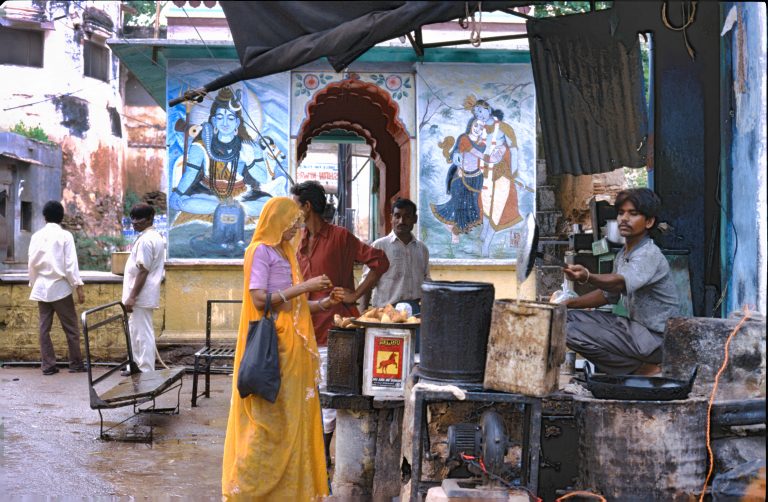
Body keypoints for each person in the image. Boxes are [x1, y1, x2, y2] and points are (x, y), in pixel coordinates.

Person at [222, 196, 344, 500]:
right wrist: (306, 286)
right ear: (276, 221)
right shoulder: (259, 251)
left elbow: (295, 307)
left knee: (292, 421)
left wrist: (322, 303)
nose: (296, 229)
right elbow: (260, 300)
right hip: (273, 349)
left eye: (298, 224)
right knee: (267, 422)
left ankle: (290, 490)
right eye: (292, 224)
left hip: (294, 349)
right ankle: (251, 490)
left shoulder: (284, 252)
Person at [291, 180, 389, 460]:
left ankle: (321, 458)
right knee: (305, 394)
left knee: (330, 397)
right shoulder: (296, 240)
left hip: (335, 331)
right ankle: (310, 455)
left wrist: (355, 294)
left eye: (295, 205)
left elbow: (380, 261)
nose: (291, 211)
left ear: (307, 207)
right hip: (301, 329)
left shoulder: (340, 237)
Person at [562, 188, 680, 376]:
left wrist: (587, 276)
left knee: (566, 330)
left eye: (633, 214)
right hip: (637, 331)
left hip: (657, 338)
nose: (624, 219)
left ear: (649, 222)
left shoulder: (649, 253)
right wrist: (568, 304)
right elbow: (608, 295)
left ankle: (644, 370)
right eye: (621, 213)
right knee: (561, 318)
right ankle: (639, 368)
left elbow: (619, 284)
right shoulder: (623, 254)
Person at [27, 200, 87, 375]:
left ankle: (48, 365)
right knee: (71, 329)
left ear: (44, 217)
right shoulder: (65, 236)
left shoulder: (36, 236)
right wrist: (78, 286)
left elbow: (31, 263)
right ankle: (75, 364)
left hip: (41, 287)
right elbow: (70, 266)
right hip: (60, 288)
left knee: (44, 329)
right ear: (61, 217)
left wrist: (33, 283)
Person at [363, 198, 430, 349]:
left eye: (407, 216)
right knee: (386, 356)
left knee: (414, 355)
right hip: (385, 313)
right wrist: (363, 318)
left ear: (415, 219)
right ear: (391, 218)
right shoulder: (379, 246)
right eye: (397, 216)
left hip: (414, 315)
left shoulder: (422, 249)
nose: (401, 221)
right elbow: (366, 284)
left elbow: (426, 281)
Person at [430, 118, 504, 242]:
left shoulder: (482, 144)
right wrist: (491, 159)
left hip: (476, 178)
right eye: (476, 126)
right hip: (461, 177)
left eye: (481, 128)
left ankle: (461, 230)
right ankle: (455, 233)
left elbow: (481, 156)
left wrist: (495, 157)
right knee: (457, 205)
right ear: (471, 125)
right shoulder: (464, 138)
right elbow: (473, 154)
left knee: (471, 205)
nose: (478, 129)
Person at [472, 99, 523, 256]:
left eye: (480, 110)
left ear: (488, 109)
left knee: (497, 208)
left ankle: (487, 245)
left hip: (501, 173)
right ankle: (485, 233)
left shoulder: (503, 128)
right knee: (486, 206)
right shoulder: (478, 129)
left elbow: (513, 150)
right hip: (484, 173)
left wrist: (514, 173)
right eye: (475, 112)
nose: (478, 114)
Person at [121, 204, 166, 374]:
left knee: (142, 333)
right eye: (132, 218)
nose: (134, 222)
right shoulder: (150, 236)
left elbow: (143, 270)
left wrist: (132, 296)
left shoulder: (147, 240)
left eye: (138, 219)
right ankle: (136, 366)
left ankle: (145, 369)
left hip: (140, 294)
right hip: (142, 294)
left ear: (149, 219)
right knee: (137, 331)